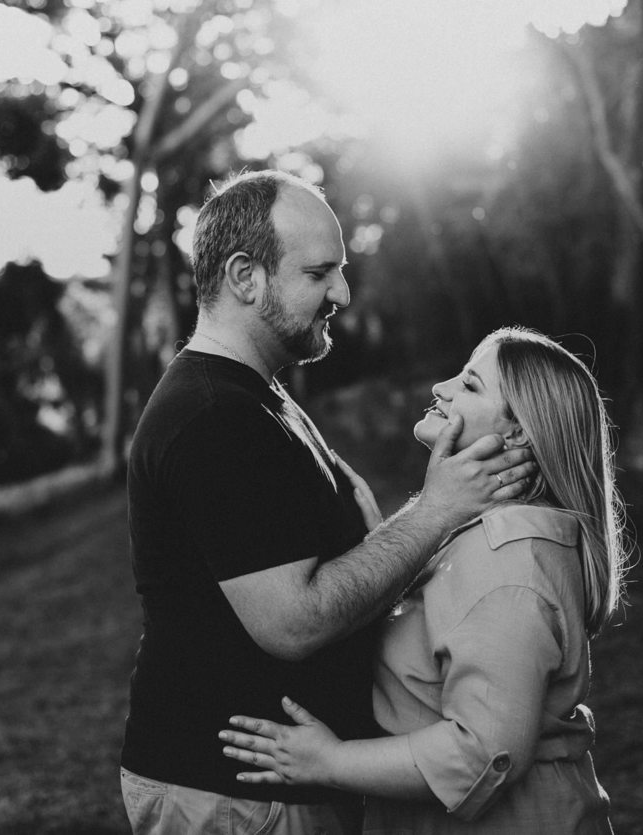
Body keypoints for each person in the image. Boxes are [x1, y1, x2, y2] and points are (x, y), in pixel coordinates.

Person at [119, 170, 536, 835]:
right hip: (236, 796)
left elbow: (356, 541)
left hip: (273, 790)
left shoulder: (259, 394)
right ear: (245, 277)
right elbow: (294, 620)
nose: (342, 292)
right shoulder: (213, 417)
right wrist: (436, 509)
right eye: (321, 273)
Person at [219, 327, 628, 834]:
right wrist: (388, 546)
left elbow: (483, 752)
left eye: (471, 385)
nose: (441, 387)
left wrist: (328, 761)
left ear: (520, 432)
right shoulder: (474, 533)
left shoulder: (511, 558)